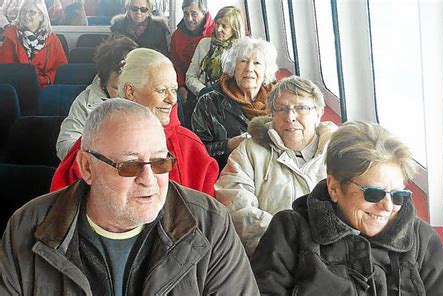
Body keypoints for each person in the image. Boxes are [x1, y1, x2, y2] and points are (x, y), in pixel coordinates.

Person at [0, 99, 259, 295]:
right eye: (130, 165)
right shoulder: (27, 227)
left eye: (160, 162)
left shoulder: (210, 224)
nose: (148, 179)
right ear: (87, 167)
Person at [251, 121, 443, 295]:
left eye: (398, 195)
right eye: (373, 193)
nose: (387, 206)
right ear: (334, 187)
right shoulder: (291, 232)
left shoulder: (418, 238)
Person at [51, 48, 219, 197]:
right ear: (130, 91)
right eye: (161, 90)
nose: (172, 99)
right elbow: (64, 210)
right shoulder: (94, 144)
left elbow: (206, 220)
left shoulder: (191, 147)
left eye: (174, 90)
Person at [215, 76, 338, 255]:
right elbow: (236, 208)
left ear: (318, 113)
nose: (290, 117)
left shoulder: (339, 152)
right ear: (271, 114)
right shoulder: (249, 151)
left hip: (332, 255)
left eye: (301, 108)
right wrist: (287, 246)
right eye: (281, 109)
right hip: (272, 256)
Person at [191, 36, 278, 170]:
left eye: (257, 63)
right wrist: (227, 146)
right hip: (228, 173)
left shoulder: (279, 102)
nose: (249, 68)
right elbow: (196, 153)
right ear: (233, 67)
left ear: (266, 70)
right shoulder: (209, 102)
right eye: (243, 61)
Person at [56, 34, 138, 160]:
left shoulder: (151, 96)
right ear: (104, 82)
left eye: (131, 88)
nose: (125, 95)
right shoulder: (85, 102)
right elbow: (65, 146)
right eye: (117, 88)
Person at [0, 0, 67, 86]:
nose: (26, 16)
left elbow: (62, 68)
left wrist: (45, 80)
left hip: (46, 88)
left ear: (41, 17)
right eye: (23, 12)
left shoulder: (52, 39)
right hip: (18, 89)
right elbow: (5, 69)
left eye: (32, 12)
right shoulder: (11, 37)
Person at [186, 6, 244, 96]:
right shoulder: (204, 43)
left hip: (227, 99)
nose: (218, 29)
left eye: (224, 26)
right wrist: (203, 91)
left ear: (234, 30)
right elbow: (190, 76)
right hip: (201, 96)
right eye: (217, 23)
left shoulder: (240, 50)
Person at [169, 0, 214, 106]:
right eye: (186, 14)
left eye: (194, 14)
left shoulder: (216, 33)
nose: (189, 19)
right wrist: (180, 86)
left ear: (204, 13)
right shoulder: (177, 36)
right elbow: (175, 64)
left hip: (210, 89)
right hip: (185, 86)